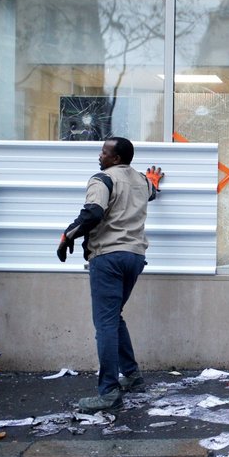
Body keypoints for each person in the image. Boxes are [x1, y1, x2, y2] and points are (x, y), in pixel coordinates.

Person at [57, 137, 163, 411]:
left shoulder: (102, 179)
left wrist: (68, 234)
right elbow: (151, 191)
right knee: (114, 318)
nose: (99, 156)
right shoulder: (141, 180)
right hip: (135, 257)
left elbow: (93, 212)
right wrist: (154, 180)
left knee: (104, 324)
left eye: (104, 152)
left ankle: (108, 393)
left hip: (108, 257)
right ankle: (132, 376)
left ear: (115, 159)